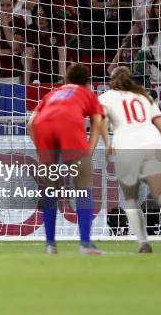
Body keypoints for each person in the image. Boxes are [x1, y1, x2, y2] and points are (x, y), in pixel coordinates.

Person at [98, 66, 161, 253]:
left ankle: (143, 243)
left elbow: (101, 125)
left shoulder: (105, 98)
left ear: (111, 81)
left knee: (130, 199)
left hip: (127, 147)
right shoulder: (145, 96)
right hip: (153, 145)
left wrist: (108, 145)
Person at [27, 63, 105, 255]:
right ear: (87, 82)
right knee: (83, 187)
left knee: (49, 189)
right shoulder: (88, 94)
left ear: (67, 80)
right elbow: (98, 121)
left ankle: (50, 245)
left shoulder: (53, 93)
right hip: (69, 124)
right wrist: (89, 150)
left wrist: (41, 149)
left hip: (43, 126)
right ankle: (85, 244)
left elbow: (30, 123)